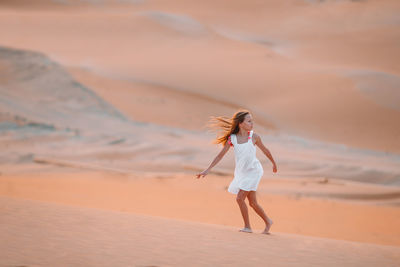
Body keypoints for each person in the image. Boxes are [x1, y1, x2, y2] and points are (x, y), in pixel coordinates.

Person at [196, 109, 277, 234]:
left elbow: (265, 150)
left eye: (252, 121)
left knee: (240, 198)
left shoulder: (254, 137)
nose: (252, 123)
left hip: (254, 171)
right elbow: (220, 155)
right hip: (242, 172)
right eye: (249, 121)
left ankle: (247, 227)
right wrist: (207, 170)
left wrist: (273, 163)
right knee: (252, 203)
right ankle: (268, 221)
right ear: (240, 123)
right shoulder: (232, 139)